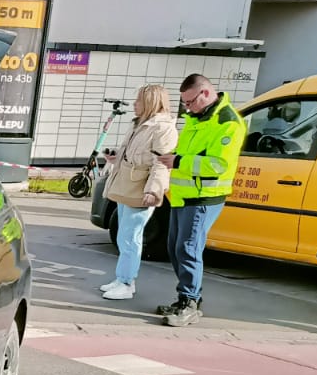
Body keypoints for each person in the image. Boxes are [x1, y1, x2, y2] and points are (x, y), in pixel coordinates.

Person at [159, 73, 247, 327]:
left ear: (206, 93)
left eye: (190, 102)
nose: (187, 108)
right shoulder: (198, 118)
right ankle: (186, 299)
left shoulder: (227, 122)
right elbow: (190, 152)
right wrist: (174, 156)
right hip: (184, 195)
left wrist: (179, 161)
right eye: (184, 103)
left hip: (203, 197)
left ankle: (189, 302)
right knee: (176, 248)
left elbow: (218, 165)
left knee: (188, 249)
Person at [98, 83, 176, 301]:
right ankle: (121, 278)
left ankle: (126, 282)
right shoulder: (140, 124)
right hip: (127, 186)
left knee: (130, 237)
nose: (135, 104)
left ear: (151, 102)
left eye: (139, 100)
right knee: (125, 236)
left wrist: (154, 191)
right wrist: (116, 156)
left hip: (139, 189)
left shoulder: (163, 128)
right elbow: (135, 153)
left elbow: (161, 164)